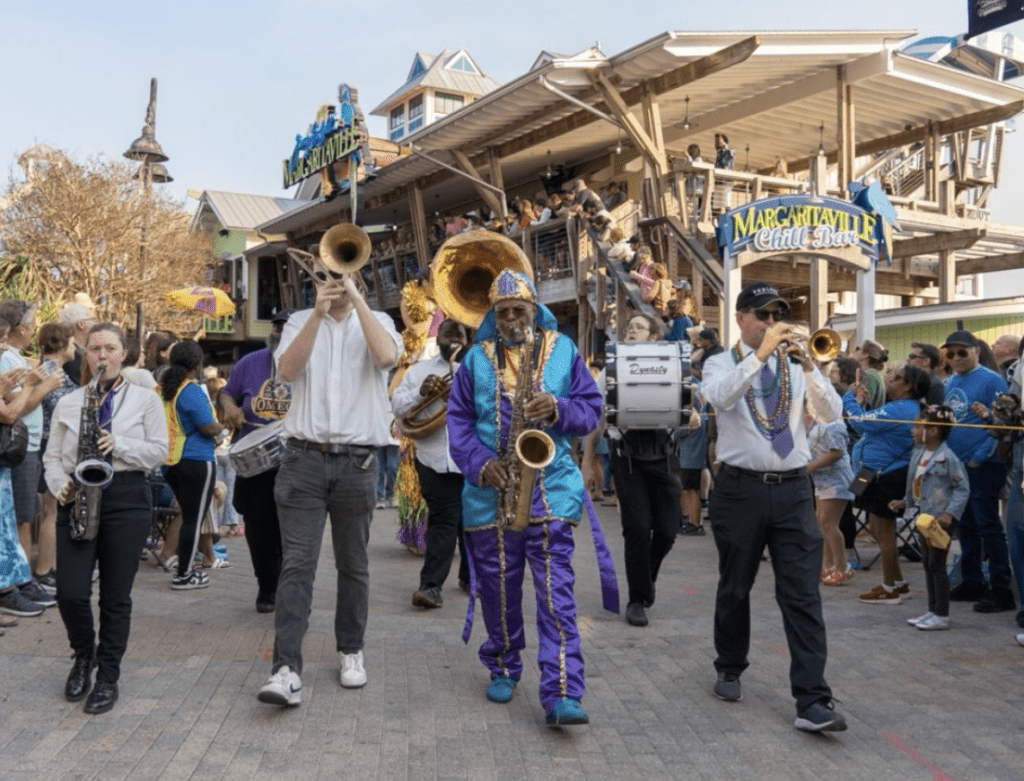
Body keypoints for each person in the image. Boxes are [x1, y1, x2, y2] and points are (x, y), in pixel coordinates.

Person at [447, 269, 607, 727]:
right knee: (498, 589)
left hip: (550, 488)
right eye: (503, 312)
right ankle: (501, 663)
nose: (513, 318)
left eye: (520, 310)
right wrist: (479, 461)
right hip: (489, 491)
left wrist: (558, 408)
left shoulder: (564, 351)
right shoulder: (475, 359)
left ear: (536, 309)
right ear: (493, 316)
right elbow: (458, 421)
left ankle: (562, 692)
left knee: (556, 595)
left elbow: (591, 408)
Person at [701, 281, 846, 733]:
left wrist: (813, 369)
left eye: (775, 316)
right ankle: (729, 665)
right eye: (762, 315)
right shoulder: (719, 362)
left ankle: (812, 699)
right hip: (740, 489)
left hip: (792, 491)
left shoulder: (794, 367)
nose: (770, 324)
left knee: (802, 594)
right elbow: (719, 397)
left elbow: (831, 414)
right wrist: (760, 354)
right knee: (736, 584)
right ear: (742, 318)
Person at [257, 267, 402, 707]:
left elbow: (385, 359)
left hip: (357, 461)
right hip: (303, 457)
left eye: (343, 272)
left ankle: (351, 651)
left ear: (358, 272)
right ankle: (285, 668)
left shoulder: (380, 320)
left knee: (353, 564)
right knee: (297, 565)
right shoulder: (302, 321)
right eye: (326, 273)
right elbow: (286, 371)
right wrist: (318, 315)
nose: (334, 279)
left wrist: (358, 301)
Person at [44, 322, 168, 713]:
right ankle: (84, 653)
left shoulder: (145, 399)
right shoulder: (70, 401)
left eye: (109, 348)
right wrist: (59, 483)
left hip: (127, 496)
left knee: (116, 598)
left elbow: (160, 452)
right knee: (71, 593)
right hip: (77, 496)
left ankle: (108, 676)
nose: (101, 356)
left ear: (122, 354)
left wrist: (121, 444)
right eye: (94, 348)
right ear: (86, 351)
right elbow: (51, 457)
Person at [585, 313, 681, 628]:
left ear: (654, 336)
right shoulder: (611, 368)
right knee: (637, 528)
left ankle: (646, 578)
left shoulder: (672, 363)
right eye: (629, 327)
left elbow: (689, 407)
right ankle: (637, 599)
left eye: (638, 326)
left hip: (664, 455)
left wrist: (690, 418)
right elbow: (596, 416)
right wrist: (587, 459)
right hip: (627, 457)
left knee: (667, 531)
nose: (631, 330)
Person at [391, 318, 470, 609]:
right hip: (433, 459)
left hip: (471, 459)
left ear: (467, 338)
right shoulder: (420, 371)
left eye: (458, 335)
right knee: (443, 521)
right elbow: (398, 407)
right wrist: (422, 392)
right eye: (447, 335)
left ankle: (469, 577)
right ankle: (431, 586)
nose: (452, 341)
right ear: (438, 341)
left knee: (470, 521)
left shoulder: (478, 371)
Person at [219, 308, 294, 613]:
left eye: (286, 329)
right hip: (255, 463)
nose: (279, 334)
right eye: (275, 327)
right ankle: (266, 585)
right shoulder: (250, 363)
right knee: (259, 527)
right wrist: (230, 408)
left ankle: (288, 586)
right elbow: (226, 394)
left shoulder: (310, 364)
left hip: (294, 460)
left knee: (290, 529)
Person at [941, 330, 1015, 614]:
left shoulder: (992, 379)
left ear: (975, 351)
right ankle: (972, 580)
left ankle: (1000, 588)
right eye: (951, 353)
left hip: (983, 465)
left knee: (987, 525)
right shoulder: (952, 381)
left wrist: (979, 456)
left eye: (962, 352)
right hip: (958, 464)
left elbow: (1001, 422)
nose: (956, 358)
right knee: (966, 524)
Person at [845, 364, 931, 604]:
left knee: (884, 534)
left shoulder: (903, 408)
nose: (889, 378)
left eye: (896, 377)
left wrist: (850, 397)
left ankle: (890, 587)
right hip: (875, 474)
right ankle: (898, 582)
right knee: (876, 528)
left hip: (888, 476)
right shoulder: (900, 406)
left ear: (908, 386)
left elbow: (861, 422)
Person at [0, 299, 62, 610]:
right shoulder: (7, 359)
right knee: (20, 520)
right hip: (14, 448)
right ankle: (16, 585)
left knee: (19, 518)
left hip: (24, 447)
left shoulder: (11, 359)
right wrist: (42, 385)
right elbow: (12, 412)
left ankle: (19, 582)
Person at [890, 405, 969, 631]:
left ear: (933, 430)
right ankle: (932, 610)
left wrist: (949, 514)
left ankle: (941, 614)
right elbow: (915, 484)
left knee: (936, 564)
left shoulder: (947, 458)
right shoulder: (919, 453)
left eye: (918, 426)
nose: (913, 431)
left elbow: (962, 488)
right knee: (927, 563)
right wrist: (905, 501)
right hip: (923, 518)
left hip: (939, 521)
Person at [160, 340, 224, 591]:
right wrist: (222, 427)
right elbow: (207, 426)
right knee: (194, 519)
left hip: (169, 461)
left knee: (188, 517)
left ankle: (184, 571)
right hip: (197, 459)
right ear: (197, 365)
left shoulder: (162, 389)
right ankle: (185, 574)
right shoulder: (192, 390)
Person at [35, 323, 79, 592]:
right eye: (72, 343)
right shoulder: (53, 374)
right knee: (51, 511)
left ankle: (48, 568)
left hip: (52, 446)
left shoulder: (54, 371)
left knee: (53, 510)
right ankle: (44, 569)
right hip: (51, 447)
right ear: (61, 345)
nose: (75, 348)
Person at [805, 412, 856, 585]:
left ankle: (842, 566)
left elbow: (837, 452)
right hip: (821, 478)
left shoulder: (833, 423)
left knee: (829, 522)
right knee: (822, 522)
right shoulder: (815, 420)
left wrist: (810, 466)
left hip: (836, 478)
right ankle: (827, 566)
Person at [57, 300, 96, 386]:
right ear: (81, 324)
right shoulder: (73, 355)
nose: (95, 322)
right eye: (92, 319)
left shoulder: (75, 350)